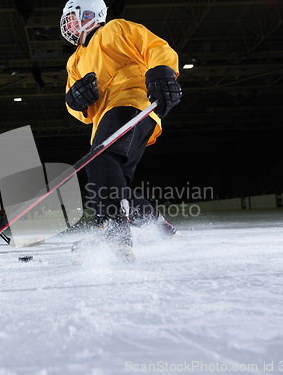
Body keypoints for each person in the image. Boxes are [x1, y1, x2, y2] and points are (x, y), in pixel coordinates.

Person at [61, 0, 182, 262]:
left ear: (91, 14)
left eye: (73, 17)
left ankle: (113, 228)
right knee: (116, 186)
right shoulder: (75, 60)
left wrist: (162, 73)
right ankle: (159, 225)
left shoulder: (112, 30)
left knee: (100, 159)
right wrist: (76, 101)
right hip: (108, 119)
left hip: (131, 103)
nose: (69, 24)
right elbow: (79, 111)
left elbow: (153, 46)